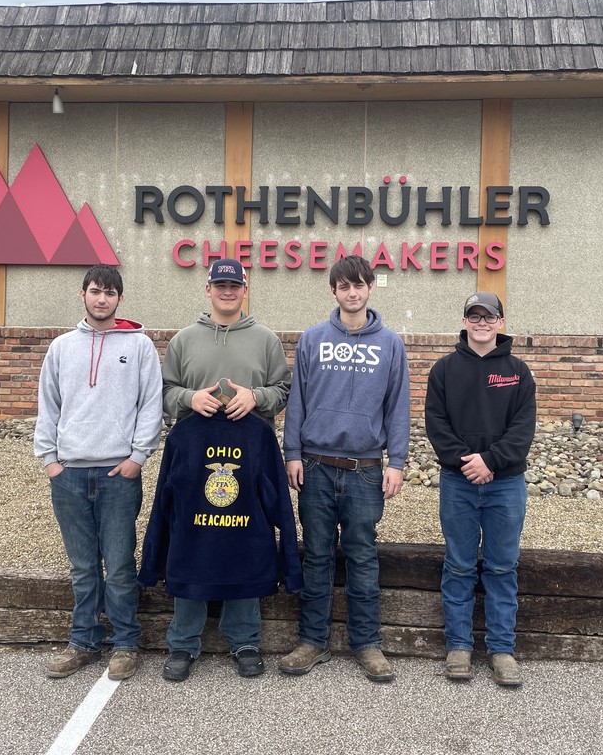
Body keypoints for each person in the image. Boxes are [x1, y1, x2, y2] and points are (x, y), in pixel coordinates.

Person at [157, 257, 292, 681]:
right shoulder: (184, 340)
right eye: (221, 285)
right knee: (189, 540)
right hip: (195, 461)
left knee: (246, 541)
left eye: (235, 285)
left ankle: (245, 639)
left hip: (248, 459)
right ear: (208, 289)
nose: (228, 291)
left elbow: (283, 389)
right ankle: (183, 642)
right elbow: (165, 391)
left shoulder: (266, 340)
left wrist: (257, 397)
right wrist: (189, 398)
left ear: (244, 289)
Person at [279, 255, 411, 683]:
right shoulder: (312, 339)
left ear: (370, 287)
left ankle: (367, 643)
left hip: (365, 469)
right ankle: (312, 641)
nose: (352, 293)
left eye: (359, 285)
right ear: (333, 291)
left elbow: (398, 406)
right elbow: (297, 399)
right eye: (344, 286)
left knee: (362, 557)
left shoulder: (390, 344)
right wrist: (292, 452)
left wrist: (397, 461)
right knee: (316, 556)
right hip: (315, 466)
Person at [33, 264, 163, 681]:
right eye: (95, 291)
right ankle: (83, 643)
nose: (101, 299)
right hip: (69, 474)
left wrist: (137, 457)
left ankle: (125, 644)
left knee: (120, 565)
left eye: (109, 293)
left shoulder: (139, 346)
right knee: (83, 566)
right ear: (83, 295)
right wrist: (50, 461)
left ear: (120, 299)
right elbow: (48, 405)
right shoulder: (62, 347)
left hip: (117, 475)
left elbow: (151, 404)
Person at [424, 291, 537, 687]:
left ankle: (502, 650)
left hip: (506, 484)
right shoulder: (444, 370)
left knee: (502, 566)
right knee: (458, 564)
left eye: (489, 316)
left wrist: (491, 460)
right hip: (459, 483)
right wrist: (467, 462)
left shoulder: (518, 372)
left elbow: (522, 430)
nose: (482, 323)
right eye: (475, 316)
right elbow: (436, 424)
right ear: (464, 322)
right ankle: (459, 646)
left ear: (500, 323)